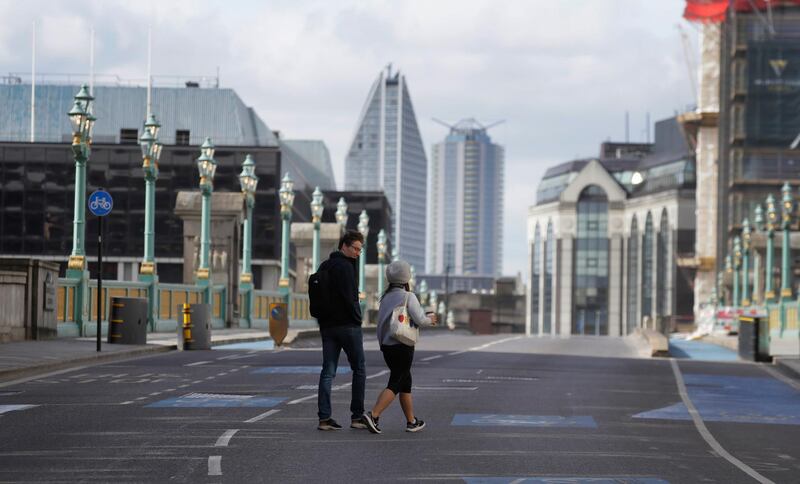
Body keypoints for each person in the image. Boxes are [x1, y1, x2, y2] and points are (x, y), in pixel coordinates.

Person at [362, 260, 437, 434]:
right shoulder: (408, 296)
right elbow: (420, 320)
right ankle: (373, 414)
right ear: (407, 278)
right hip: (402, 345)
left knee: (405, 382)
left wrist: (382, 343)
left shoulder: (385, 297)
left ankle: (411, 421)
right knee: (396, 382)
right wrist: (431, 319)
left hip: (387, 346)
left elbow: (381, 324)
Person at [315, 230, 368, 431]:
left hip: (327, 327)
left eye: (359, 250)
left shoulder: (324, 265)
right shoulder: (346, 267)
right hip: (348, 326)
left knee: (328, 371)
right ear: (343, 246)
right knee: (359, 369)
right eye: (355, 248)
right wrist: (357, 318)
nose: (357, 253)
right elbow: (350, 298)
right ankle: (356, 417)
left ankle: (324, 418)